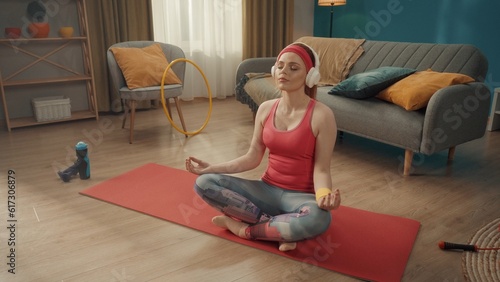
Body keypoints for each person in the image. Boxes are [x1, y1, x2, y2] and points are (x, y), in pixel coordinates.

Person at [185, 42, 341, 252]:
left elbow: (322, 169)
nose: (283, 72)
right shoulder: (266, 109)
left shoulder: (323, 116)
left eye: (293, 68)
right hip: (265, 190)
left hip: (300, 198)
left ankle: (242, 229)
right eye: (280, 66)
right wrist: (211, 168)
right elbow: (252, 157)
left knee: (320, 219)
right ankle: (280, 228)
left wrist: (323, 197)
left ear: (310, 76)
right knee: (204, 183)